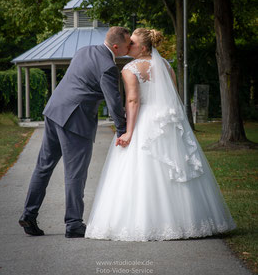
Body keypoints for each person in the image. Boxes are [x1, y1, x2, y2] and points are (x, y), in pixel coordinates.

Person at [85, 28, 236, 241]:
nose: (129, 46)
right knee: (175, 166)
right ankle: (186, 221)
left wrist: (128, 132)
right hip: (167, 120)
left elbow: (133, 101)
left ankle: (146, 222)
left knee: (141, 169)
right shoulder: (166, 65)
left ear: (144, 47)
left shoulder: (130, 68)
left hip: (145, 120)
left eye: (133, 43)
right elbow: (171, 95)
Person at [19, 26, 131, 238]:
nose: (131, 46)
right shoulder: (108, 66)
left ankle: (29, 214)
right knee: (75, 174)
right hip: (75, 119)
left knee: (43, 167)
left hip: (54, 110)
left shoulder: (84, 50)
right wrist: (122, 130)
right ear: (117, 47)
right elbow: (114, 101)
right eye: (128, 44)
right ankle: (73, 224)